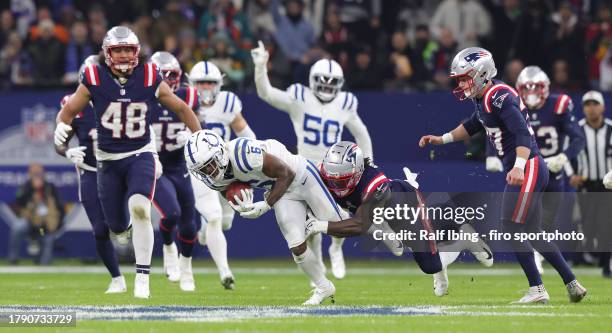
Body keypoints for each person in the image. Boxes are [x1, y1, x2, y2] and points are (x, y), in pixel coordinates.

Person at [418, 47, 587, 303]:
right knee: (532, 231)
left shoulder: (499, 96)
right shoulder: (485, 97)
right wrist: (441, 139)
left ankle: (537, 289)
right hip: (528, 166)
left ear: (483, 73)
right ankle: (572, 284)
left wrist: (518, 166)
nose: (462, 83)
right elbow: (474, 125)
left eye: (466, 76)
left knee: (511, 224)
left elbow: (521, 133)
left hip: (528, 164)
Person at [53, 26, 202, 299]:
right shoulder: (94, 76)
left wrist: (199, 134)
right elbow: (68, 112)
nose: (123, 55)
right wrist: (59, 128)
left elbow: (180, 107)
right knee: (117, 228)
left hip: (140, 153)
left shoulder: (148, 74)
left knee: (141, 207)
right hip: (108, 160)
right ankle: (127, 234)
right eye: (117, 50)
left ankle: (142, 278)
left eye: (127, 50)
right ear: (107, 53)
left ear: (136, 52)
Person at [251, 40, 374, 281]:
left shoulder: (345, 103)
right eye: (323, 81)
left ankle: (336, 249)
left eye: (332, 82)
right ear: (313, 79)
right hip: (304, 167)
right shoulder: (299, 96)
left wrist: (367, 162)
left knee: (338, 217)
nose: (327, 86)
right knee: (311, 227)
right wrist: (260, 67)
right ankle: (319, 270)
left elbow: (361, 132)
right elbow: (266, 93)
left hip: (334, 168)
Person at [306, 141, 494, 296]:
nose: (335, 185)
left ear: (357, 171)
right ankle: (437, 250)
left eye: (341, 180)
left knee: (429, 265)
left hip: (401, 204)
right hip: (374, 215)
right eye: (332, 180)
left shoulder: (375, 184)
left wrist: (319, 225)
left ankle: (463, 238)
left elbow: (360, 225)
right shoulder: (325, 171)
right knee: (398, 248)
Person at [185, 130, 346, 305]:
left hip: (301, 176)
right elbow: (225, 189)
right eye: (201, 169)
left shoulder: (242, 153)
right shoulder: (212, 178)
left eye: (209, 164)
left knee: (340, 227)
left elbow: (287, 173)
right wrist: (238, 203)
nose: (208, 171)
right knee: (296, 245)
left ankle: (336, 244)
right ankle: (324, 287)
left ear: (220, 153)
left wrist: (266, 205)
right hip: (282, 192)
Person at [54, 55, 126, 293]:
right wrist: (67, 152)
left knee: (121, 222)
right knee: (99, 229)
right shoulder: (73, 104)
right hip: (90, 170)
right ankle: (117, 278)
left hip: (117, 169)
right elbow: (59, 140)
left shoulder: (120, 99)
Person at [187, 60, 257, 290]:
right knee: (215, 216)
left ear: (220, 84)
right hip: (199, 169)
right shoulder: (183, 100)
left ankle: (203, 229)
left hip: (225, 167)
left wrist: (254, 153)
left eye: (210, 83)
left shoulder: (227, 103)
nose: (206, 88)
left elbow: (245, 133)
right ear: (191, 83)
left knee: (225, 222)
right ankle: (225, 272)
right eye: (201, 83)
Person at [149, 51, 199, 292]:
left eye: (172, 75)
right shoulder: (143, 99)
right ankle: (168, 245)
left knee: (190, 225)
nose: (168, 81)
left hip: (179, 166)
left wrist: (190, 136)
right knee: (171, 214)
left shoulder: (188, 96)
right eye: (163, 75)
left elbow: (201, 126)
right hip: (156, 167)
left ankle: (186, 267)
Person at [571, 90, 612, 278]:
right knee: (589, 228)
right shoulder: (576, 130)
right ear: (583, 108)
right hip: (586, 187)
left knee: (606, 225)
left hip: (608, 187)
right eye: (587, 104)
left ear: (602, 106)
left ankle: (607, 264)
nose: (592, 108)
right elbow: (565, 156)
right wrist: (572, 175)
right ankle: (595, 257)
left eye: (595, 104)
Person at [9, 164, 64, 265]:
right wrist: (31, 189)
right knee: (18, 227)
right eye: (34, 173)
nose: (36, 175)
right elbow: (18, 200)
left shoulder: (50, 187)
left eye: (38, 173)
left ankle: (43, 262)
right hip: (30, 221)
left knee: (46, 237)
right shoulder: (25, 186)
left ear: (43, 173)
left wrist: (56, 224)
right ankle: (14, 258)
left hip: (44, 225)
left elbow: (59, 207)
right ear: (29, 174)